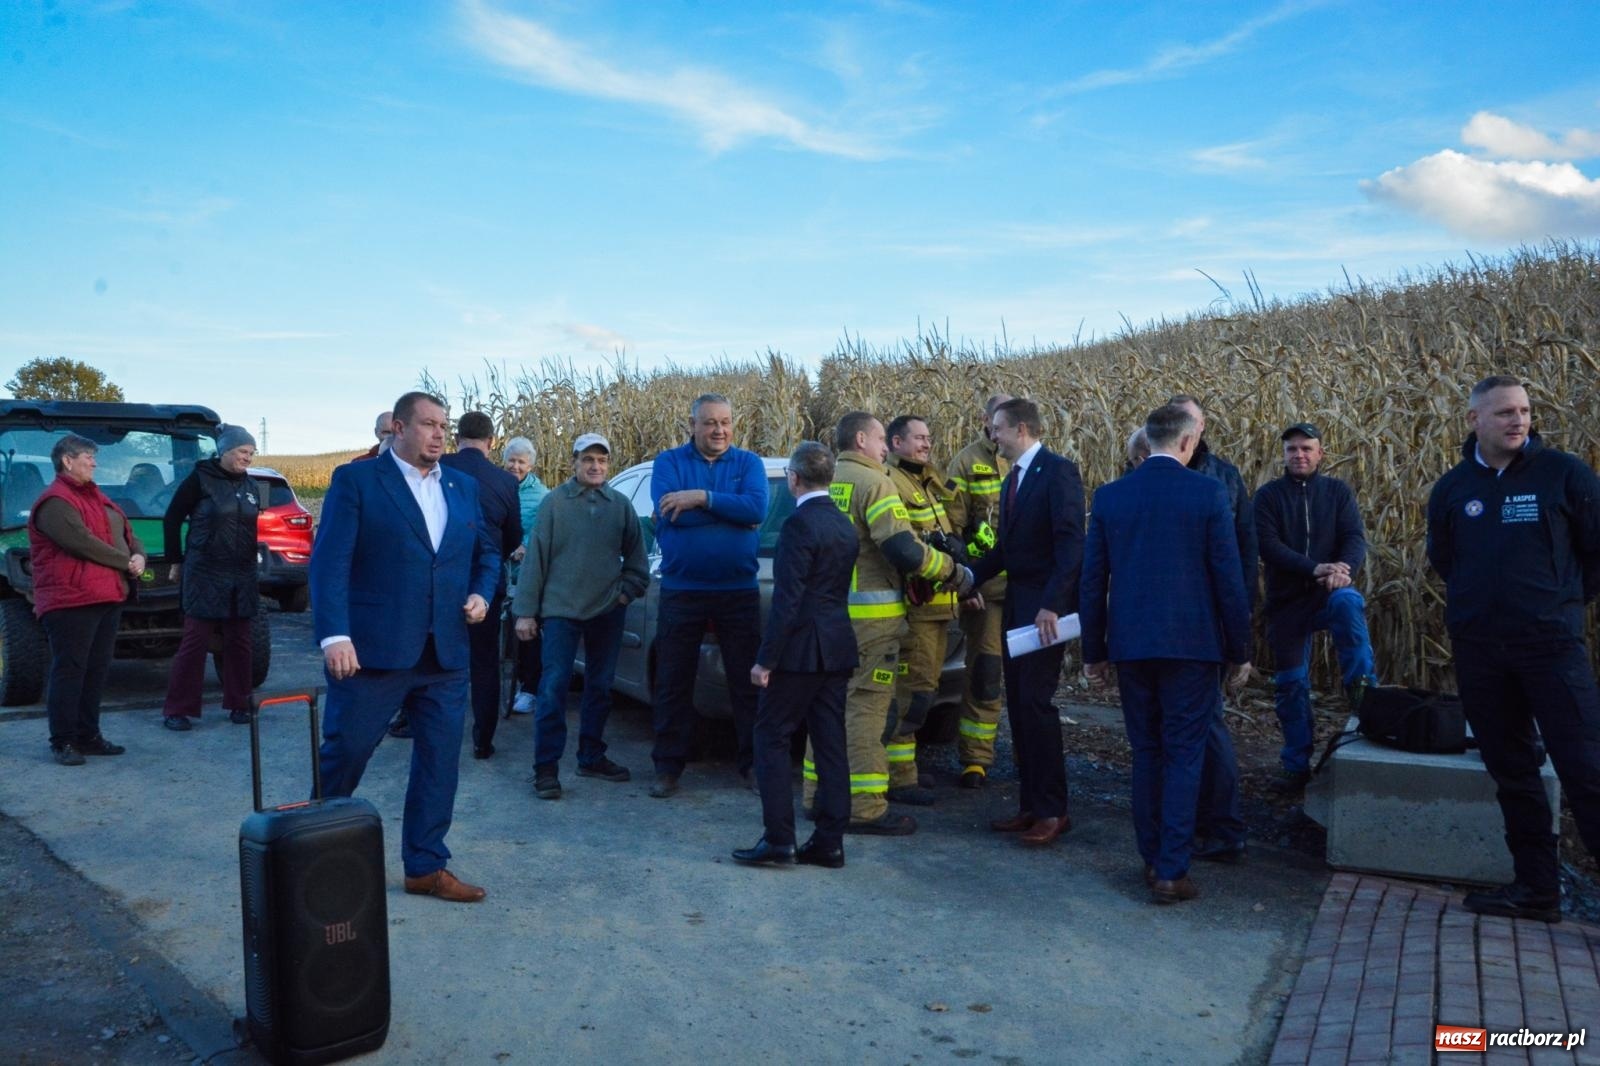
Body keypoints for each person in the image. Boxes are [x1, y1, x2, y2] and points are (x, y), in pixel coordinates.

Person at [311, 391, 500, 904]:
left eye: (445, 426)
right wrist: (335, 635)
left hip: (446, 654)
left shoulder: (461, 486)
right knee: (345, 754)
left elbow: (486, 552)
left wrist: (482, 593)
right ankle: (313, 856)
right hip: (372, 652)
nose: (440, 434)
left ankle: (425, 865)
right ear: (398, 427)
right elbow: (329, 562)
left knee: (440, 764)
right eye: (429, 425)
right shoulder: (358, 481)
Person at [1426, 374, 1600, 923]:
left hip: (1551, 648)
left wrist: (1561, 604)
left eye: (1524, 410)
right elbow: (1445, 560)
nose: (1518, 420)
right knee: (1512, 768)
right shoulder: (1454, 489)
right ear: (1474, 420)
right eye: (1504, 413)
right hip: (1481, 651)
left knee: (1586, 766)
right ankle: (1536, 889)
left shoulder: (1564, 475)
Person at [1080, 403, 1252, 904]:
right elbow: (1229, 578)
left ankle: (1152, 858)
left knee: (1147, 751)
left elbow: (1094, 582)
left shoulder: (1111, 497)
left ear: (1149, 440)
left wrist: (1094, 651)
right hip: (1193, 647)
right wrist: (1239, 649)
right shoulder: (1208, 492)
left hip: (1132, 646)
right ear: (1187, 443)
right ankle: (1172, 870)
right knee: (1184, 753)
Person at [813, 411, 970, 835]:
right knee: (868, 710)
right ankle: (864, 807)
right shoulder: (875, 481)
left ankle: (817, 796)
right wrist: (953, 572)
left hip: (829, 619)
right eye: (882, 439)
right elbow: (902, 548)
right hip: (872, 623)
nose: (885, 447)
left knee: (828, 706)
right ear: (861, 439)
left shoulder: (827, 480)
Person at [733, 442, 859, 869]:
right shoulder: (844, 525)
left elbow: (788, 600)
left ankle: (779, 839)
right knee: (831, 744)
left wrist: (765, 659)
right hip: (838, 647)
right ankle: (830, 842)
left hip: (801, 652)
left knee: (769, 735)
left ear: (795, 479)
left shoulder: (798, 525)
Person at [967, 398, 1084, 848]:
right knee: (1017, 705)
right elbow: (1007, 550)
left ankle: (1054, 811)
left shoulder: (1058, 472)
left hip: (1044, 615)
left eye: (996, 428)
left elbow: (1072, 544)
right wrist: (967, 577)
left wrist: (1053, 604)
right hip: (1017, 607)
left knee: (1037, 706)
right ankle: (1031, 805)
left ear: (1019, 428)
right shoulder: (1012, 479)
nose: (991, 436)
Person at [513, 433, 649, 801]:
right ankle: (545, 769)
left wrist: (623, 594)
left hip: (606, 611)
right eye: (588, 459)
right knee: (553, 689)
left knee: (601, 688)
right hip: (561, 612)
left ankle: (591, 756)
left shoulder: (620, 506)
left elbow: (638, 562)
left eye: (602, 461)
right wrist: (525, 612)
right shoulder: (555, 504)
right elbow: (535, 560)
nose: (596, 467)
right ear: (574, 462)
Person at [647, 394, 769, 798]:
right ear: (693, 425)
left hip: (738, 591)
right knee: (672, 681)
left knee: (747, 682)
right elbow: (667, 512)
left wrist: (700, 498)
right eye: (710, 423)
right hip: (683, 590)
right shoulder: (669, 463)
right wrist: (732, 515)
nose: (719, 430)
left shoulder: (749, 463)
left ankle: (753, 765)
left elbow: (757, 510)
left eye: (725, 422)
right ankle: (667, 767)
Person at [1254, 422, 1378, 794]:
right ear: (1284, 455)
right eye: (1292, 449)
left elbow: (1354, 537)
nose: (1299, 455)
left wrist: (1344, 571)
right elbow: (1268, 546)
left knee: (1349, 603)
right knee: (1291, 684)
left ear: (1321, 453)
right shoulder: (1269, 496)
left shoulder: (1337, 492)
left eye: (1307, 448)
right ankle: (1295, 764)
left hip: (1330, 591)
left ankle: (1361, 689)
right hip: (1288, 601)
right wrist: (1314, 568)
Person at [1169, 394, 1252, 862]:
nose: (1190, 430)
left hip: (1207, 623)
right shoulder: (1152, 471)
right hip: (1172, 624)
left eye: (1195, 422)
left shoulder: (1224, 477)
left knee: (1209, 723)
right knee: (1191, 726)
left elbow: (1243, 555)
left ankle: (1223, 825)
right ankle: (1199, 819)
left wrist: (1240, 627)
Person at [28, 433, 145, 766]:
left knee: (95, 671)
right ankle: (64, 741)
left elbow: (128, 534)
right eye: (88, 456)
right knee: (70, 670)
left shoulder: (99, 498)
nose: (95, 462)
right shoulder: (55, 502)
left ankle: (88, 736)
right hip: (71, 601)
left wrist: (139, 556)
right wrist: (125, 562)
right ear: (67, 460)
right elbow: (81, 543)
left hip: (106, 595)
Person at [160, 425, 262, 732]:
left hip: (241, 574)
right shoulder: (201, 479)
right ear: (225, 451)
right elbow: (172, 519)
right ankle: (178, 709)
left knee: (240, 642)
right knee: (195, 642)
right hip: (205, 572)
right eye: (243, 452)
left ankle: (240, 703)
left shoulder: (251, 485)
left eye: (251, 453)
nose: (248, 458)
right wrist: (175, 560)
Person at [883, 414, 959, 804]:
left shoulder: (925, 479)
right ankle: (899, 777)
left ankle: (906, 768)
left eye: (929, 437)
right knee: (912, 693)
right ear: (895, 442)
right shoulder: (893, 482)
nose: (927, 444)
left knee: (923, 690)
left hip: (939, 606)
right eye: (919, 438)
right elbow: (907, 547)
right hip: (918, 610)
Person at [440, 412, 523, 759]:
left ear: (457, 437)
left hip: (441, 581)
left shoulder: (438, 467)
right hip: (486, 584)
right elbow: (513, 536)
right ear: (491, 442)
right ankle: (482, 739)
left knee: (437, 660)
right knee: (485, 662)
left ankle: (432, 730)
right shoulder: (505, 481)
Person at [944, 394, 1013, 788]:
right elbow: (951, 530)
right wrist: (965, 581)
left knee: (1028, 680)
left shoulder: (1032, 461)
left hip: (1027, 589)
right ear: (986, 420)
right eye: (997, 419)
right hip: (987, 590)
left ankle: (1030, 758)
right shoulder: (967, 462)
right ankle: (976, 760)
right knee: (986, 672)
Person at [502, 435, 548, 714]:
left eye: (521, 462)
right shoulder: (497, 486)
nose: (515, 466)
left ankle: (529, 688)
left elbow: (543, 529)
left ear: (530, 465)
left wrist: (525, 546)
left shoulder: (541, 495)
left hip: (527, 575)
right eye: (512, 460)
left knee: (526, 632)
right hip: (500, 571)